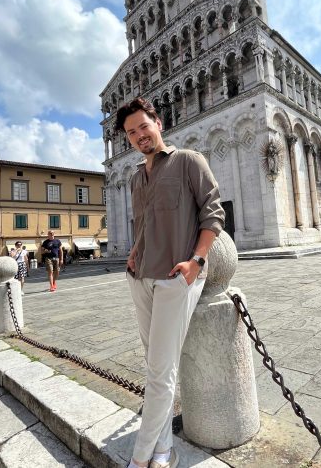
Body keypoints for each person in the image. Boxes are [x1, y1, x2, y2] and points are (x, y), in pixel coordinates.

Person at [115, 97, 225, 468]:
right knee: (156, 367)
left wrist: (197, 261)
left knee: (160, 371)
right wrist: (134, 253)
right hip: (141, 277)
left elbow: (214, 213)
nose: (139, 135)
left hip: (177, 279)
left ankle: (141, 458)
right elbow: (144, 225)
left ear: (158, 123)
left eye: (143, 126)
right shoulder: (135, 178)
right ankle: (164, 450)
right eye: (131, 132)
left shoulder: (189, 161)